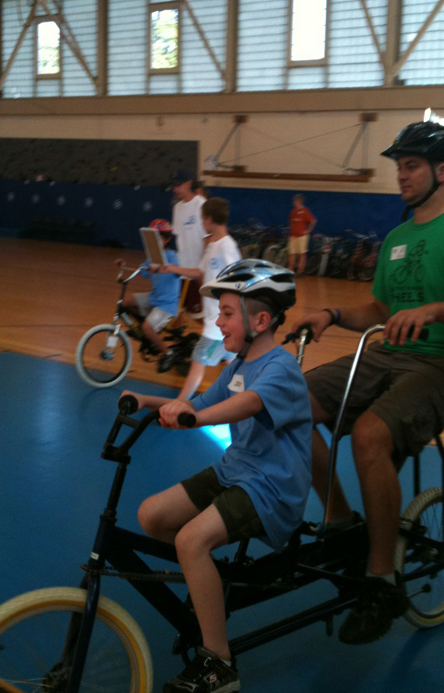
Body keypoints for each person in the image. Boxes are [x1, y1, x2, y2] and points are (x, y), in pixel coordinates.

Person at [290, 121, 444, 645]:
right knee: (289, 402)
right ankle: (342, 522)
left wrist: (432, 311)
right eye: (399, 166)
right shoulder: (398, 238)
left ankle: (381, 581)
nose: (401, 175)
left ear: (442, 171)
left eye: (411, 166)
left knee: (369, 435)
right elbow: (381, 309)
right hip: (388, 354)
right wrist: (332, 312)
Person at [121, 259, 313, 693]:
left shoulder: (280, 368)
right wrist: (147, 399)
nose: (219, 322)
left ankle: (220, 664)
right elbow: (203, 400)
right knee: (152, 516)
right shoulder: (236, 367)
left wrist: (199, 416)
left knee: (190, 540)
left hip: (272, 487)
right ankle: (208, 580)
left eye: (227, 313)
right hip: (236, 471)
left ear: (260, 320)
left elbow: (248, 405)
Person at [162, 197, 242, 393]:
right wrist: (171, 268)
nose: (201, 223)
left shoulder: (227, 246)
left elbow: (238, 281)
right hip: (212, 319)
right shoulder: (213, 246)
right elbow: (199, 272)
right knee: (233, 362)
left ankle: (181, 404)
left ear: (209, 219)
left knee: (199, 358)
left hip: (219, 321)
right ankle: (241, 400)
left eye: (202, 219)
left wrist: (230, 315)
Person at [119, 219, 181, 360]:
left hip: (167, 304)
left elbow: (177, 271)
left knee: (148, 327)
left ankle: (167, 353)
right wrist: (124, 266)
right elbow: (143, 270)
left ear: (166, 240)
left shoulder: (171, 256)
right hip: (154, 297)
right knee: (125, 301)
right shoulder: (152, 257)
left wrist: (163, 268)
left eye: (158, 238)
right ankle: (148, 332)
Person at [170, 169, 207, 316]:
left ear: (189, 183)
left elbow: (208, 239)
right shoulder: (177, 208)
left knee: (201, 315)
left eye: (179, 185)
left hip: (198, 272)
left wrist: (203, 272)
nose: (176, 189)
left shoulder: (201, 204)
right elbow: (179, 239)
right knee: (178, 313)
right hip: (182, 272)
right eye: (174, 186)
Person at [288, 194, 316, 275]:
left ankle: (300, 270)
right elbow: (291, 221)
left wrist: (308, 230)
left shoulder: (305, 211)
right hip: (293, 236)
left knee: (301, 253)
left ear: (299, 202)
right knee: (292, 253)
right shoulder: (293, 212)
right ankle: (291, 268)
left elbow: (313, 221)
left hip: (302, 236)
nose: (294, 203)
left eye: (295, 201)